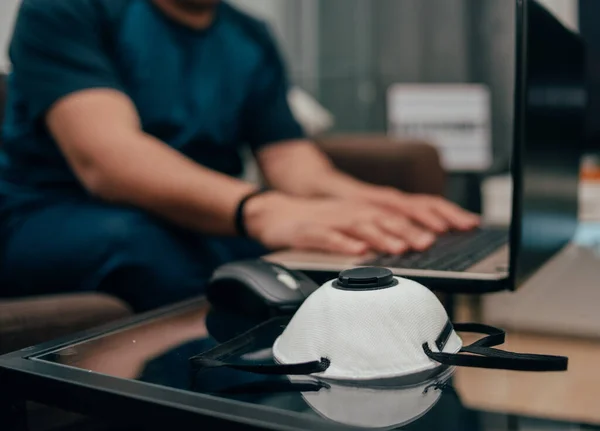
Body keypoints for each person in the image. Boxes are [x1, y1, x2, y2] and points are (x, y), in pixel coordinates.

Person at [0, 0, 479, 312]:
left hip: (194, 217)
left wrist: (379, 203)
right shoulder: (67, 9)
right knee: (148, 248)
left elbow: (292, 161)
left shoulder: (249, 34)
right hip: (50, 213)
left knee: (334, 256)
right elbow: (107, 161)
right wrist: (261, 209)